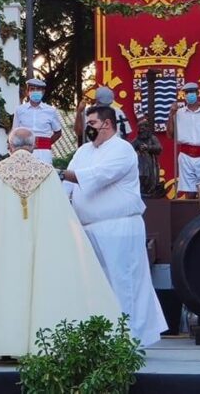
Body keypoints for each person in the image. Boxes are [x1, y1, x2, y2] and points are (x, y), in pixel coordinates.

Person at [0, 128, 121, 360]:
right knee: (39, 289)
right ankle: (41, 345)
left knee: (7, 289)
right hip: (39, 242)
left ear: (10, 147)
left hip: (4, 244)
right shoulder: (46, 172)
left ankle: (6, 346)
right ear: (33, 147)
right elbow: (60, 213)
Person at [63, 107, 168, 346]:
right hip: (88, 227)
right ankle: (102, 337)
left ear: (107, 124)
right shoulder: (83, 151)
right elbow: (67, 186)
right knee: (97, 285)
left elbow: (98, 176)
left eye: (91, 122)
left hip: (119, 226)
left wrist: (60, 174)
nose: (87, 127)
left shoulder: (122, 149)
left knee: (124, 282)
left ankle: (128, 338)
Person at [12, 77, 63, 165]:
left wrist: (46, 143)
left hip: (44, 151)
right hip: (24, 151)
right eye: (32, 89)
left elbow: (58, 132)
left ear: (43, 92)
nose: (35, 91)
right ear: (27, 92)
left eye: (38, 89)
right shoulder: (19, 110)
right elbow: (15, 132)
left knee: (44, 175)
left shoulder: (50, 110)